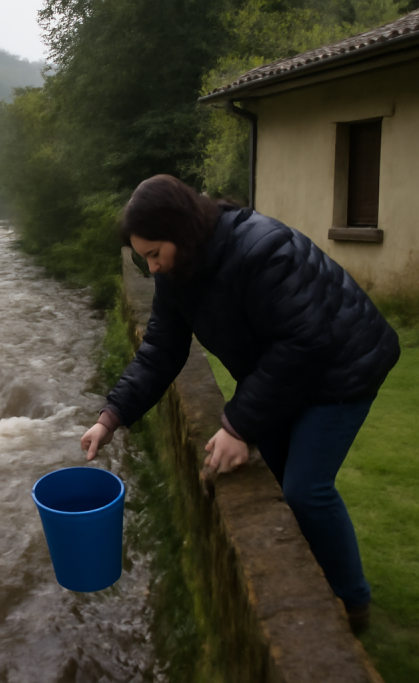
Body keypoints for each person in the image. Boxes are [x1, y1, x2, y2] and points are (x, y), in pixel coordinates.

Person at [81, 174, 400, 632]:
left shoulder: (261, 248)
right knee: (274, 472)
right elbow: (161, 351)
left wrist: (237, 428)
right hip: (286, 371)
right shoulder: (177, 271)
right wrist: (110, 417)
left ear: (181, 231)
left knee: (305, 490)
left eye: (153, 254)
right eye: (142, 257)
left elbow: (305, 342)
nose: (150, 268)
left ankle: (353, 604)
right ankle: (310, 574)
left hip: (344, 367)